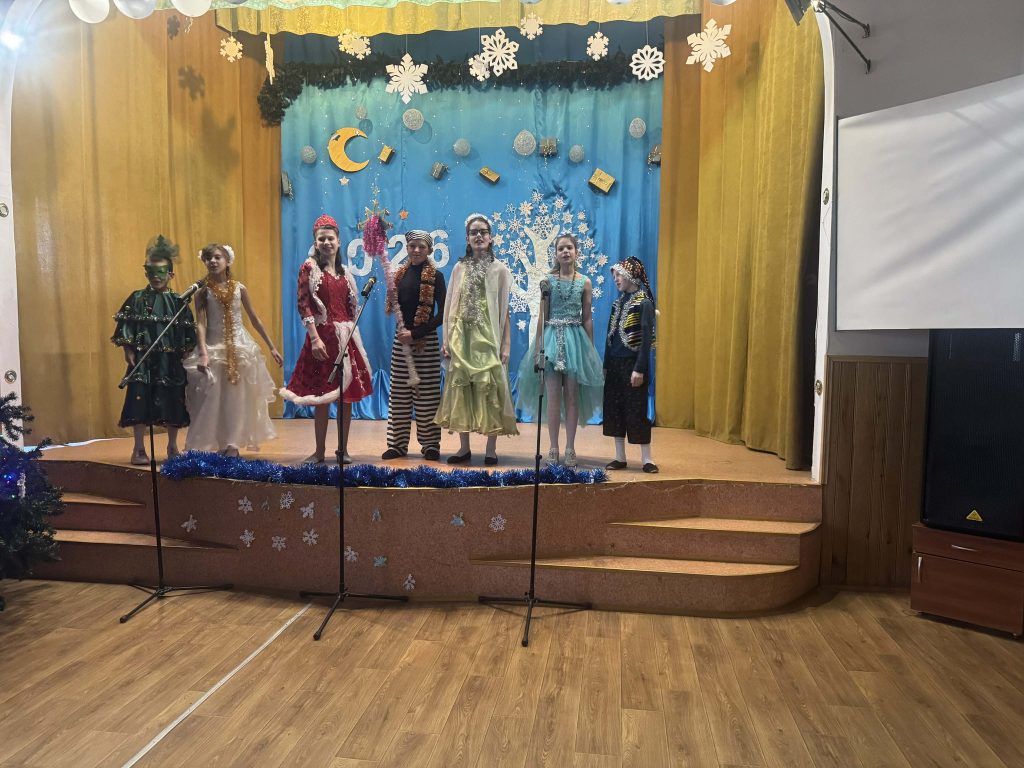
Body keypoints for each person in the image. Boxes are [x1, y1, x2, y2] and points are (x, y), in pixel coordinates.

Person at [280, 214, 372, 464]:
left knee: (345, 397)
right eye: (321, 239)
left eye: (330, 238)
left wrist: (350, 334)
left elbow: (350, 309)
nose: (326, 243)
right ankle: (319, 451)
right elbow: (303, 304)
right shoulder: (309, 269)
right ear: (315, 242)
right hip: (322, 338)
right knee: (322, 397)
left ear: (339, 242)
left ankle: (343, 450)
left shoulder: (345, 273)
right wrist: (314, 338)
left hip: (345, 340)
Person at [183, 243, 282, 456]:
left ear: (227, 261)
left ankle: (233, 443)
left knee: (236, 399)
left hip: (240, 348)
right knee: (214, 399)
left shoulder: (239, 288)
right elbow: (200, 323)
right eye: (208, 258)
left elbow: (254, 319)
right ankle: (220, 442)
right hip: (214, 346)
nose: (212, 261)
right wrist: (203, 352)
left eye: (217, 257)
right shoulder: (202, 292)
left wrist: (272, 347)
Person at [434, 213, 518, 464]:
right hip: (462, 338)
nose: (478, 236)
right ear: (467, 239)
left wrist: (506, 344)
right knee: (461, 389)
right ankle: (464, 448)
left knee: (490, 389)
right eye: (474, 232)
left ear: (491, 238)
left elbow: (504, 310)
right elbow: (450, 306)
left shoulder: (500, 269)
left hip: (487, 338)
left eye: (483, 232)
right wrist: (447, 339)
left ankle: (491, 448)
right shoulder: (459, 268)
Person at [516, 233, 604, 467]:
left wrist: (589, 350)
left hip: (576, 341)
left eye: (569, 248)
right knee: (553, 398)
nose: (565, 251)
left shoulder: (585, 282)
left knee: (572, 397)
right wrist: (539, 346)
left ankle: (570, 447)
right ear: (555, 254)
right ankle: (553, 447)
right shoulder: (548, 281)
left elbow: (587, 317)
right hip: (552, 340)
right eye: (561, 248)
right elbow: (542, 315)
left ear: (576, 252)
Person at [112, 235, 196, 465]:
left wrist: (186, 351)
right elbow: (126, 325)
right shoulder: (137, 298)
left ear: (171, 274)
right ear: (145, 273)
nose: (156, 277)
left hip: (170, 361)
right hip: (143, 359)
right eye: (151, 272)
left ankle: (172, 446)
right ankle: (139, 448)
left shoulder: (178, 301)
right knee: (140, 400)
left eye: (161, 272)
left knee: (172, 400)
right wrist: (127, 350)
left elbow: (188, 331)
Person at [381, 230, 447, 461]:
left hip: (425, 342)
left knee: (428, 397)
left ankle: (430, 444)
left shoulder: (436, 277)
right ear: (407, 248)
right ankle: (397, 444)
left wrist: (417, 333)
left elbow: (443, 314)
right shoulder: (399, 275)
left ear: (429, 250)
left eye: (421, 246)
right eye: (412, 246)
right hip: (401, 342)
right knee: (399, 396)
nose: (416, 250)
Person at [603, 256, 658, 473]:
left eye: (619, 275)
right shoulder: (617, 304)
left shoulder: (644, 303)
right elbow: (609, 337)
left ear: (631, 276)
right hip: (615, 365)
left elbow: (646, 340)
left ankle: (647, 459)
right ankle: (620, 457)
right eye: (615, 276)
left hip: (632, 364)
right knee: (615, 409)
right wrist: (606, 365)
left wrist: (639, 369)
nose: (616, 279)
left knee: (636, 410)